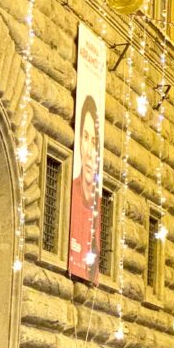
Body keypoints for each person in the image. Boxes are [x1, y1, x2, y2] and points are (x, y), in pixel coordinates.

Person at [68, 93, 101, 283]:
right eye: (85, 137)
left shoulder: (98, 205)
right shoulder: (72, 191)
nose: (89, 152)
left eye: (95, 142)